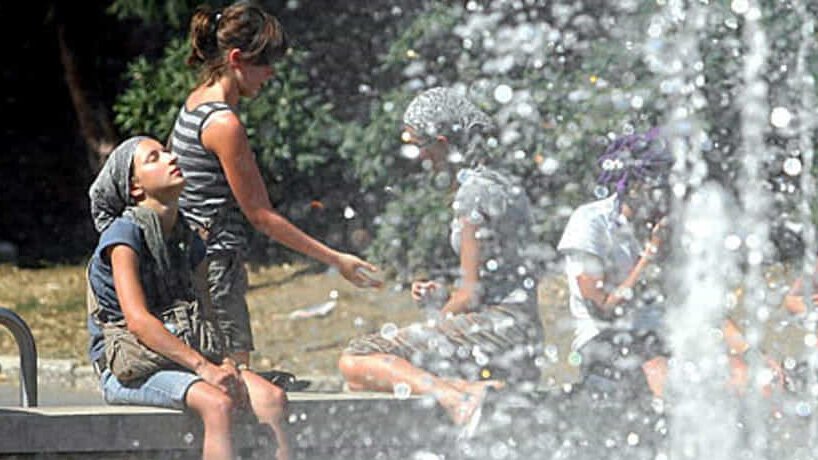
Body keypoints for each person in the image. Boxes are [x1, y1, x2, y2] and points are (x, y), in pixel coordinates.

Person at [171, 2, 380, 366]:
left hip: (194, 257)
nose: (271, 74)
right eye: (265, 64)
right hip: (216, 263)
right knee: (235, 376)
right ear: (236, 58)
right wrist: (336, 260)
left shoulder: (195, 102)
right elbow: (262, 216)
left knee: (217, 377)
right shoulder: (224, 124)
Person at [338, 87, 544, 429]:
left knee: (358, 360)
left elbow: (471, 294)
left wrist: (437, 321)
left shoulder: (472, 194)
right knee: (368, 380)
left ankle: (459, 398)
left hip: (500, 329)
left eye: (420, 145)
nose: (418, 156)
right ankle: (469, 391)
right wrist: (442, 300)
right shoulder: (503, 182)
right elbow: (491, 282)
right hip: (521, 328)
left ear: (443, 141)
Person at [87, 136, 290, 460]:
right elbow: (138, 322)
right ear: (136, 188)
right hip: (132, 368)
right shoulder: (123, 236)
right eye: (154, 158)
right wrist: (204, 369)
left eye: (166, 152)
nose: (170, 158)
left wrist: (224, 363)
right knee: (217, 404)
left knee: (272, 398)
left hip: (184, 357)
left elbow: (207, 315)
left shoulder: (190, 240)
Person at [557, 128, 675, 400]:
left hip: (658, 335)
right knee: (665, 377)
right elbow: (603, 309)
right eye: (658, 184)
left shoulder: (658, 225)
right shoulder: (591, 222)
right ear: (633, 184)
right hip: (607, 339)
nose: (666, 193)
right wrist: (650, 255)